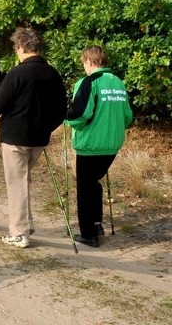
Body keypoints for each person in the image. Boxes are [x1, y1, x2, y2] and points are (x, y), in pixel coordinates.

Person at [0, 27, 67, 248]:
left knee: (17, 182)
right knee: (24, 179)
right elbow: (61, 110)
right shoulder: (52, 74)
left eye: (16, 48)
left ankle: (19, 233)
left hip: (15, 137)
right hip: (39, 138)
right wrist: (47, 127)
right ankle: (26, 223)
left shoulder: (17, 74)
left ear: (21, 47)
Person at [65, 46, 132, 248]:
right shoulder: (118, 82)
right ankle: (96, 224)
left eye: (83, 63)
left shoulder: (89, 82)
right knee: (94, 182)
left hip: (91, 145)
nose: (83, 67)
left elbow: (80, 114)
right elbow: (128, 116)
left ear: (88, 61)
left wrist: (66, 117)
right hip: (112, 144)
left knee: (85, 187)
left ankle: (88, 235)